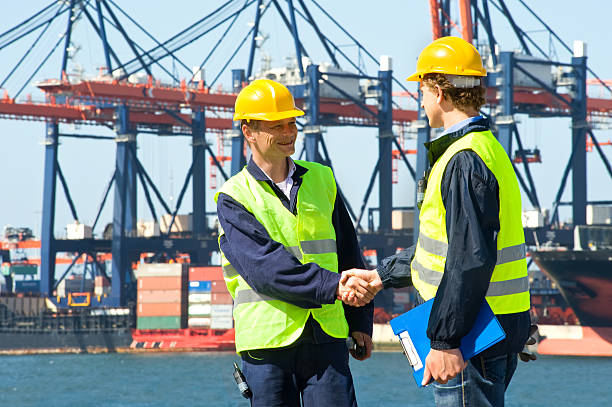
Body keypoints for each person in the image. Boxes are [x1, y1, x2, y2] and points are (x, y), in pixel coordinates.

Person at [343, 36, 532, 406]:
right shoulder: (488, 149)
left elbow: (469, 258)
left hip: (470, 338)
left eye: (423, 91)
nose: (422, 101)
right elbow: (446, 248)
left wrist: (445, 341)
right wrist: (381, 276)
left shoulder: (462, 160)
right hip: (492, 327)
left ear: (440, 93)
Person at [215, 78, 376, 407]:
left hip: (326, 334)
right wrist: (336, 287)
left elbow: (348, 251)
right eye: (278, 126)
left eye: (292, 123)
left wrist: (360, 320)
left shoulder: (322, 178)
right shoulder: (233, 197)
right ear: (249, 131)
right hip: (268, 343)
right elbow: (266, 269)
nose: (289, 133)